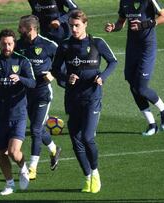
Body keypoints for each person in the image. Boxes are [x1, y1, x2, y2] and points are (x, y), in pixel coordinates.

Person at [51, 9, 118, 193]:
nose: (73, 29)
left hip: (92, 97)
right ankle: (87, 176)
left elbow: (113, 62)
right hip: (73, 98)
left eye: (77, 25)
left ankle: (95, 172)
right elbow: (55, 69)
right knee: (75, 140)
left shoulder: (97, 43)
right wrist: (66, 76)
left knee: (87, 137)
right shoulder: (64, 46)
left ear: (85, 24)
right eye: (71, 25)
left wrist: (102, 77)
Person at [0, 29, 36, 195]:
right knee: (1, 152)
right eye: (4, 44)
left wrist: (20, 78)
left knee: (13, 151)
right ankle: (9, 184)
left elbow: (32, 83)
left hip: (18, 114)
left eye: (10, 43)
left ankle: (24, 167)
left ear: (14, 44)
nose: (7, 47)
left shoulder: (22, 61)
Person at [104, 0, 164, 136]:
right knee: (132, 83)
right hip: (132, 47)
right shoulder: (124, 2)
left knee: (141, 87)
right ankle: (152, 124)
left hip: (147, 48)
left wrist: (144, 25)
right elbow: (121, 22)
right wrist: (113, 27)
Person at [15, 14, 62, 180]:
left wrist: (53, 74)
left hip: (42, 93)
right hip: (25, 93)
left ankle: (33, 168)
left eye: (21, 27)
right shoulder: (18, 45)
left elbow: (63, 60)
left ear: (30, 29)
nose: (18, 29)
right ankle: (55, 150)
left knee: (35, 129)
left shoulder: (48, 45)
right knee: (39, 128)